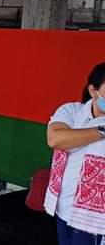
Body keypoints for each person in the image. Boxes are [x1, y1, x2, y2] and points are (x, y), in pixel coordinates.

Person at [45, 62, 105, 244]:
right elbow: (55, 139)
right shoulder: (72, 111)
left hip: (96, 219)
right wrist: (102, 131)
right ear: (94, 91)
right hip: (64, 208)